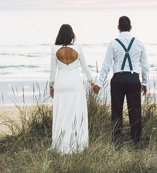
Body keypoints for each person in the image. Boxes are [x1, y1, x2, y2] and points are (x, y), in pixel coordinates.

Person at [91, 15, 149, 145]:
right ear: (131, 27)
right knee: (135, 111)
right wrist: (144, 83)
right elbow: (145, 66)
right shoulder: (139, 43)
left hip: (118, 78)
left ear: (118, 28)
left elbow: (106, 65)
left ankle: (117, 142)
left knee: (116, 111)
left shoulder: (113, 43)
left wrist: (99, 84)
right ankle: (136, 142)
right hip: (134, 78)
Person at [48, 23, 95, 153]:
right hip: (75, 82)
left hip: (61, 81)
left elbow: (53, 70)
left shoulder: (54, 48)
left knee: (61, 113)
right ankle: (77, 144)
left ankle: (60, 144)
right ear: (71, 35)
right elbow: (85, 68)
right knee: (76, 112)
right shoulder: (78, 48)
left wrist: (51, 86)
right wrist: (92, 82)